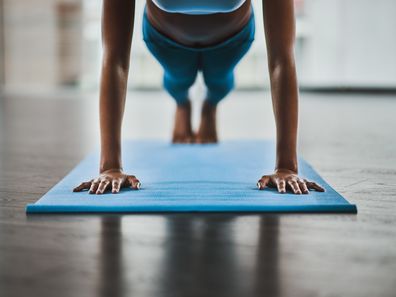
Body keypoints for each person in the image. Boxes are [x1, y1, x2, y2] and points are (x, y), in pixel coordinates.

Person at [73, 0, 325, 195]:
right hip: (166, 40)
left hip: (231, 41)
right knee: (178, 80)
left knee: (219, 82)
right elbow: (115, 59)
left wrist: (286, 167)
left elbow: (282, 60)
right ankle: (182, 103)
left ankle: (210, 104)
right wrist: (110, 167)